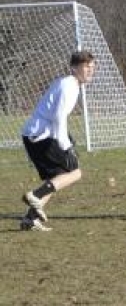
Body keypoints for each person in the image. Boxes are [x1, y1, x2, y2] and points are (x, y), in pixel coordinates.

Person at [19, 50, 96, 231]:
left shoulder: (69, 84)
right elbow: (58, 117)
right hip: (40, 136)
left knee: (55, 178)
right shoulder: (68, 86)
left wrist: (65, 140)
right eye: (86, 67)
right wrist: (66, 146)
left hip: (37, 135)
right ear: (74, 68)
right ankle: (35, 195)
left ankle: (30, 219)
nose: (90, 71)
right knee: (75, 173)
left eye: (92, 67)